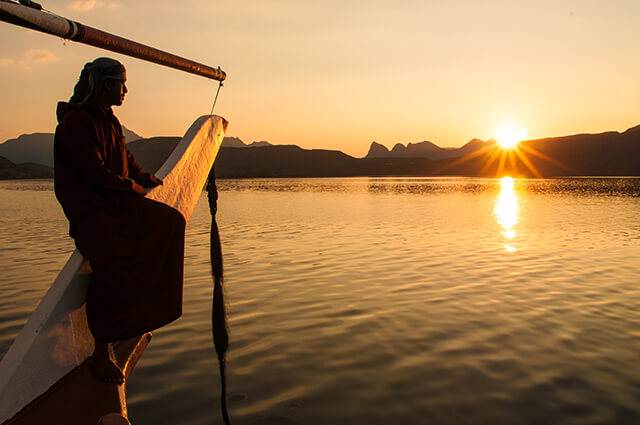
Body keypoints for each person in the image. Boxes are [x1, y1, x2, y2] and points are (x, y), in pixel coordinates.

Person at [54, 57, 187, 384]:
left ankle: (146, 313)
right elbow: (94, 172)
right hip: (92, 211)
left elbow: (125, 159)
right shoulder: (76, 123)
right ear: (104, 85)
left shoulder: (109, 120)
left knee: (171, 222)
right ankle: (100, 352)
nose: (125, 90)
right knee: (114, 266)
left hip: (116, 202)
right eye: (120, 83)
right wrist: (132, 187)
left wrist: (145, 177)